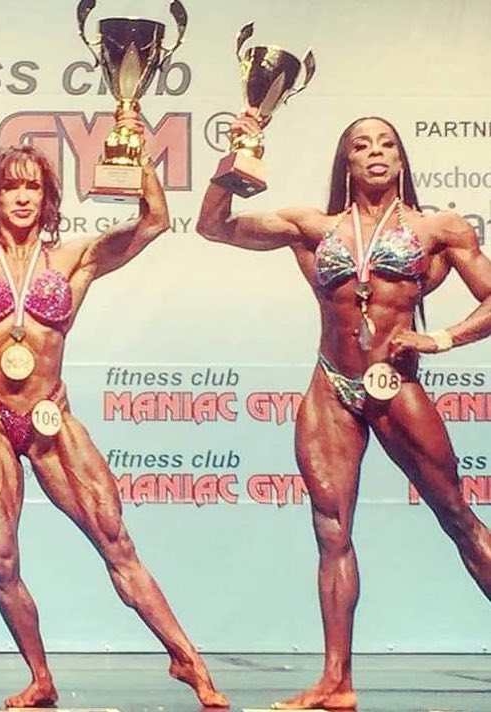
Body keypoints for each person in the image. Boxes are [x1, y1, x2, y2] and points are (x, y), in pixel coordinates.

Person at [0, 115, 228, 708]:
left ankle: (187, 658)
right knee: (0, 558)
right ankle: (40, 677)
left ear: (47, 197)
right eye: (11, 186)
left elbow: (154, 221)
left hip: (50, 417)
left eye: (32, 186)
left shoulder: (74, 259)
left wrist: (136, 158)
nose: (22, 197)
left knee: (115, 541)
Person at [196, 112, 491, 710]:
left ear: (401, 160)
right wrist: (237, 158)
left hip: (395, 384)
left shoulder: (438, 228)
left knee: (457, 517)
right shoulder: (313, 227)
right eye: (362, 145)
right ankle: (336, 681)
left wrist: (439, 339)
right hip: (331, 386)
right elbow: (213, 227)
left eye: (386, 144)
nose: (375, 152)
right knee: (331, 532)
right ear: (347, 162)